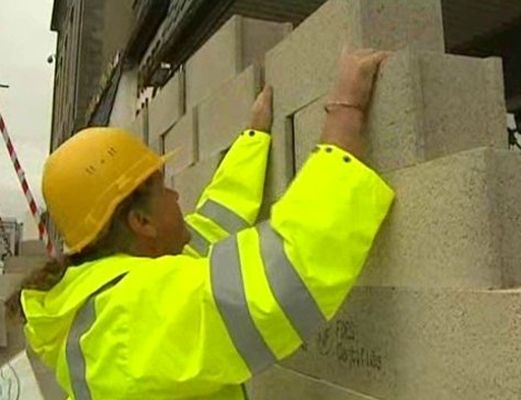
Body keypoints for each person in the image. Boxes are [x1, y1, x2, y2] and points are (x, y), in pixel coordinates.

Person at [15, 47, 395, 399]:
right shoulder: (131, 320)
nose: (177, 197)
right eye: (164, 189)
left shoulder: (103, 300)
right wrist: (346, 114)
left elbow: (210, 229)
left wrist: (253, 138)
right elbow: (283, 277)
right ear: (141, 222)